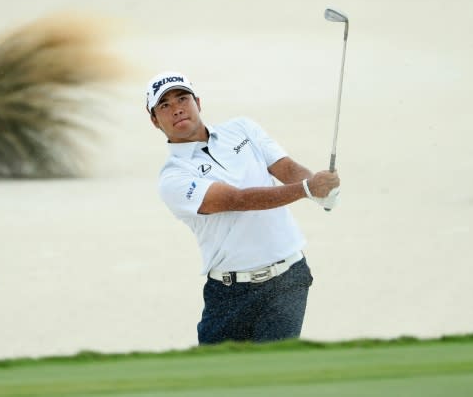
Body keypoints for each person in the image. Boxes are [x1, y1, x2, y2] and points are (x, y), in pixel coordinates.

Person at [145, 71, 340, 345]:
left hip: (287, 280)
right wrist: (307, 189)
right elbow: (236, 200)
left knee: (274, 376)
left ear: (198, 103)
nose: (176, 108)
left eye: (182, 98)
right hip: (228, 293)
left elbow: (287, 168)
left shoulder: (242, 128)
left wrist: (321, 191)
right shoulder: (173, 178)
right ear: (154, 120)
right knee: (216, 381)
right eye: (164, 105)